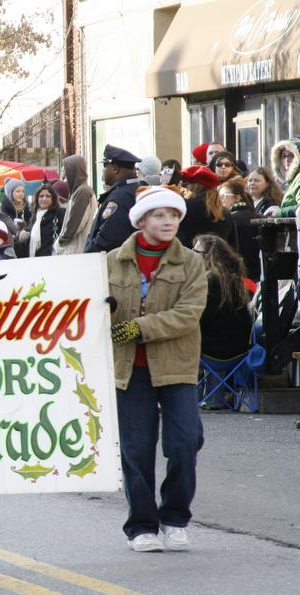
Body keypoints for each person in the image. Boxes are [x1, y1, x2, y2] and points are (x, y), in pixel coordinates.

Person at [107, 185, 207, 552]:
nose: (168, 222)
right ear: (142, 220)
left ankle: (175, 518)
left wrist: (139, 328)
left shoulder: (192, 262)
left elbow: (188, 314)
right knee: (136, 449)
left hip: (176, 366)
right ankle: (142, 526)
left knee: (184, 443)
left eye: (174, 215)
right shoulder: (112, 261)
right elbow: (92, 309)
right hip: (129, 370)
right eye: (160, 215)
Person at [193, 234, 254, 409]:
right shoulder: (235, 280)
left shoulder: (209, 281)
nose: (192, 255)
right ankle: (215, 397)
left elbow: (200, 320)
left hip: (213, 352)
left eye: (196, 252)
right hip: (240, 350)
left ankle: (189, 398)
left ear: (208, 256)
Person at [84, 144, 145, 253]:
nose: (103, 171)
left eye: (105, 166)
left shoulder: (119, 197)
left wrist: (89, 252)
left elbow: (108, 239)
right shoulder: (134, 188)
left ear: (115, 169)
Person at [218, 177, 260, 281]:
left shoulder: (228, 220)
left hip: (238, 275)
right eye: (219, 196)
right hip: (258, 274)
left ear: (237, 198)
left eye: (224, 196)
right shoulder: (258, 216)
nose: (220, 200)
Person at [177, 166, 229, 247]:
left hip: (191, 257)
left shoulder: (186, 206)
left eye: (185, 185)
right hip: (218, 258)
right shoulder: (224, 211)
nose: (183, 190)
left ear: (192, 186)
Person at [55, 155, 95, 255]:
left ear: (74, 172)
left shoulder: (83, 192)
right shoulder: (79, 191)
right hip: (75, 250)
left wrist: (61, 241)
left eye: (66, 172)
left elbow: (75, 223)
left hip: (76, 251)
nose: (64, 177)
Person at [28, 182, 64, 257]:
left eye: (48, 196)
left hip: (52, 258)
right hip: (35, 258)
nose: (44, 199)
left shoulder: (59, 213)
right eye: (41, 196)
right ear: (37, 199)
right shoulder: (35, 217)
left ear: (53, 199)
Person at [272, 138, 300, 218]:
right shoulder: (293, 180)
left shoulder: (298, 178)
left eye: (291, 155)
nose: (286, 160)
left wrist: (278, 213)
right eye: (283, 156)